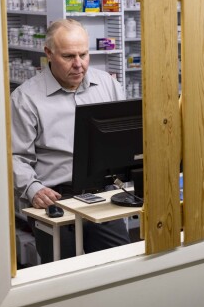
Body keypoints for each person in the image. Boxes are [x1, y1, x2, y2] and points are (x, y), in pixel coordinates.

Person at [11, 19, 130, 263]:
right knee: (63, 275)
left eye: (83, 55)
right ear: (49, 54)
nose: (78, 64)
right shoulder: (25, 98)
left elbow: (126, 135)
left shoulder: (107, 85)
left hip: (103, 195)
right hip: (54, 198)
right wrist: (34, 190)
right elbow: (14, 156)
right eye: (68, 56)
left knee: (121, 263)